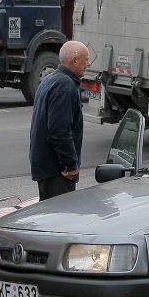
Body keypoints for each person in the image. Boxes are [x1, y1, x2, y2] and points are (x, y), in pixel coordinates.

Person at [29, 40, 89, 200]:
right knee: (61, 218)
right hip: (57, 171)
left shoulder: (51, 79)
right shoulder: (65, 86)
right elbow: (59, 131)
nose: (88, 63)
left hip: (46, 167)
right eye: (86, 59)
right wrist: (69, 165)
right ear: (74, 60)